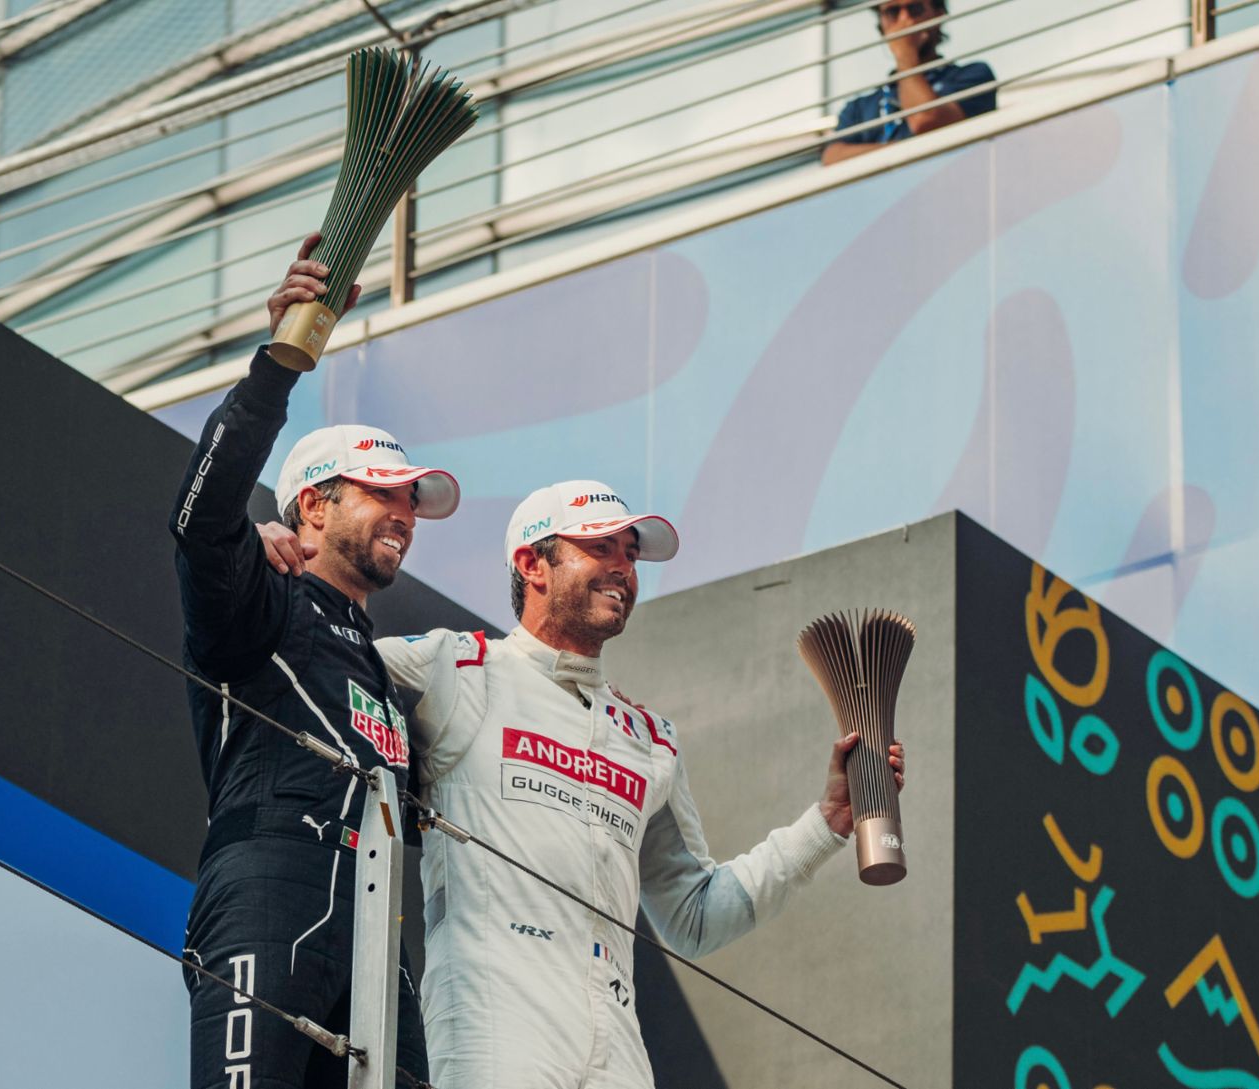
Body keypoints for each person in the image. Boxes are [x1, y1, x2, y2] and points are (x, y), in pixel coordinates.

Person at [259, 482, 906, 1089]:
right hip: (493, 1012)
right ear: (532, 564)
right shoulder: (456, 666)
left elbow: (694, 916)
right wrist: (265, 565)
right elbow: (307, 654)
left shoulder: (650, 737)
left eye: (629, 554)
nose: (623, 567)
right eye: (599, 546)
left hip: (615, 1031)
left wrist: (823, 823)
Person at [172, 233, 455, 1089]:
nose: (403, 513)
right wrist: (279, 362)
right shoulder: (258, 598)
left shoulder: (387, 670)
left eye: (411, 499)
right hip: (266, 889)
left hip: (378, 931)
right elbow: (200, 516)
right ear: (313, 505)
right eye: (382, 492)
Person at [823, 0, 997, 166]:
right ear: (881, 24)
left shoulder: (972, 75)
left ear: (938, 15)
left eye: (915, 9)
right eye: (892, 11)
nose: (905, 20)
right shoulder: (859, 107)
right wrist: (900, 151)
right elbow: (832, 157)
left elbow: (924, 120)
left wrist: (905, 55)